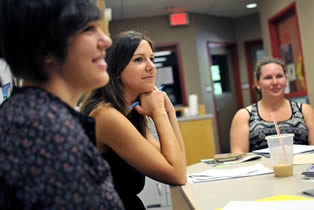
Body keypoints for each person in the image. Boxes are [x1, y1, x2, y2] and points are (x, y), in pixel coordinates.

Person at [0, 0, 124, 209]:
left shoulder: (33, 115)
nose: (106, 40)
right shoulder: (44, 130)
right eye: (88, 29)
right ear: (46, 48)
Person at [80, 30, 187, 209]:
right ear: (116, 70)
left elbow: (179, 163)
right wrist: (158, 112)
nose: (151, 66)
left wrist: (168, 111)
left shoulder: (129, 113)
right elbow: (177, 175)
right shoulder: (106, 116)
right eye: (139, 59)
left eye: (152, 59)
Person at [230, 57, 314, 153]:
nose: (275, 82)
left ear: (286, 80)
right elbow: (239, 158)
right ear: (257, 83)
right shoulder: (244, 116)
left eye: (279, 76)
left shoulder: (305, 111)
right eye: (268, 77)